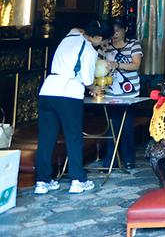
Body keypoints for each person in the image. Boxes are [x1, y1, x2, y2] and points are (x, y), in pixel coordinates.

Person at [34, 20, 110, 194]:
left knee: (46, 139)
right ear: (98, 37)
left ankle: (42, 181)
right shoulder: (90, 51)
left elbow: (76, 28)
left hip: (47, 91)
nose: (102, 45)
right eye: (103, 41)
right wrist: (94, 88)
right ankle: (78, 180)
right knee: (74, 138)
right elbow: (87, 79)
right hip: (69, 93)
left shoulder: (71, 36)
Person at [97, 18, 142, 169]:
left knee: (127, 125)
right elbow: (98, 63)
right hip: (110, 91)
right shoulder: (106, 46)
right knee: (112, 125)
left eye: (118, 30)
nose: (115, 34)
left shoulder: (133, 45)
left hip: (129, 93)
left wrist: (117, 64)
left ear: (125, 30)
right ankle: (111, 160)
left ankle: (128, 159)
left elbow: (136, 65)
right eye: (113, 31)